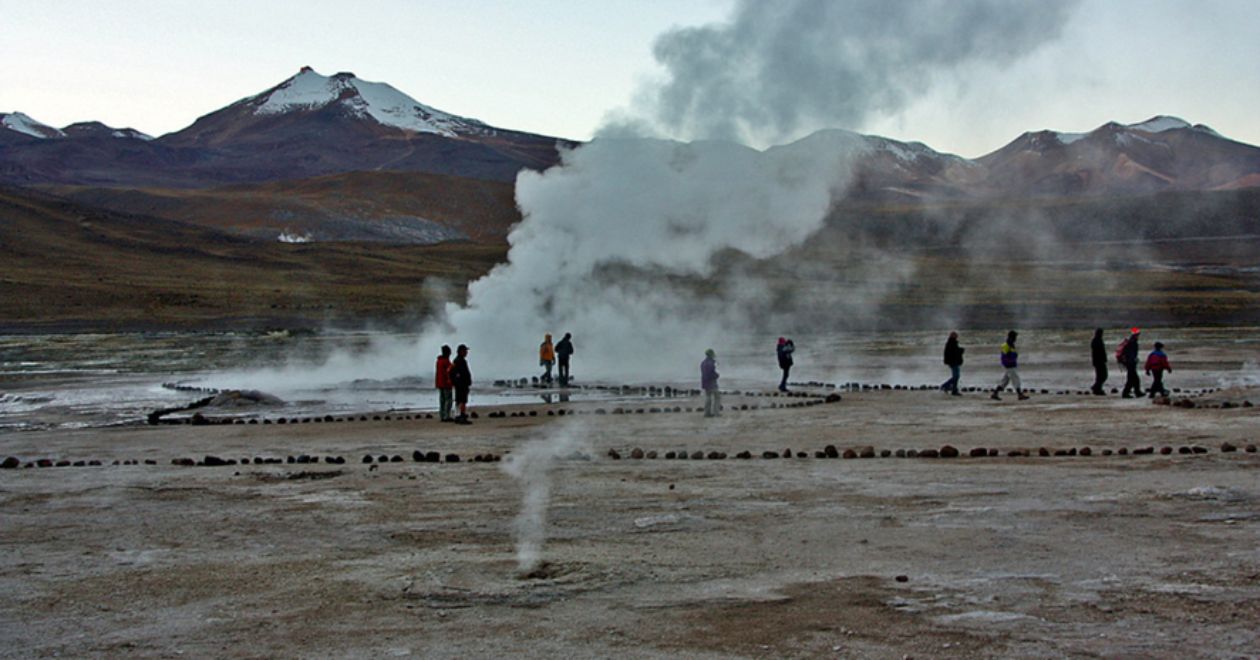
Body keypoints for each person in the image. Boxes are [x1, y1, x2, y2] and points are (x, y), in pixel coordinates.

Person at [991, 330, 1029, 401]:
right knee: (1016, 380)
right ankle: (1020, 395)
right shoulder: (1006, 345)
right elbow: (1004, 357)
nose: (1016, 339)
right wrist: (1009, 362)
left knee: (1004, 382)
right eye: (1015, 337)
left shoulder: (1010, 345)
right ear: (1012, 337)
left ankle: (995, 393)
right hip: (1010, 366)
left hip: (1010, 365)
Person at [1117, 327, 1144, 398]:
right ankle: (1126, 393)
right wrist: (1134, 360)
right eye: (1138, 334)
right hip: (1130, 363)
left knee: (1134, 378)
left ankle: (1137, 392)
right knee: (1132, 379)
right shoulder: (1133, 342)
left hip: (1129, 363)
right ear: (1136, 335)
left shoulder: (1130, 342)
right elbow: (1131, 354)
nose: (1138, 336)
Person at [450, 344, 472, 424]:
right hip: (461, 384)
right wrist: (456, 381)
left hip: (461, 384)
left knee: (460, 400)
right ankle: (461, 416)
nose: (466, 352)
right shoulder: (459, 361)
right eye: (465, 351)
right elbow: (452, 372)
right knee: (462, 400)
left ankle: (458, 415)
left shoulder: (459, 360)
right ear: (461, 352)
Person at [941, 331, 964, 395]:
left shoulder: (951, 343)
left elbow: (950, 353)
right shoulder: (952, 343)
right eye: (955, 335)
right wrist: (961, 351)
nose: (957, 336)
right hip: (953, 362)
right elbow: (953, 353)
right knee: (956, 376)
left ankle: (953, 389)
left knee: (956, 376)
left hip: (953, 362)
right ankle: (946, 386)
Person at [435, 345, 453, 421]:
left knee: (442, 400)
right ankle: (446, 416)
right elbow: (449, 372)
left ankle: (442, 416)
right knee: (448, 400)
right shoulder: (446, 361)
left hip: (440, 383)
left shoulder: (439, 361)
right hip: (446, 383)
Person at [701, 348, 721, 417]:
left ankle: (707, 413)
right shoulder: (711, 363)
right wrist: (716, 375)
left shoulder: (703, 362)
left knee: (708, 397)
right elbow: (711, 373)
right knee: (717, 397)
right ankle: (716, 413)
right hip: (712, 382)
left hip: (705, 382)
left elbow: (705, 373)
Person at [1090, 328, 1108, 396]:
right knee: (1103, 375)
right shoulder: (1097, 341)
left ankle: (1096, 387)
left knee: (1101, 376)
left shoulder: (1096, 340)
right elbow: (1099, 352)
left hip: (1098, 361)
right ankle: (1097, 388)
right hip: (1099, 361)